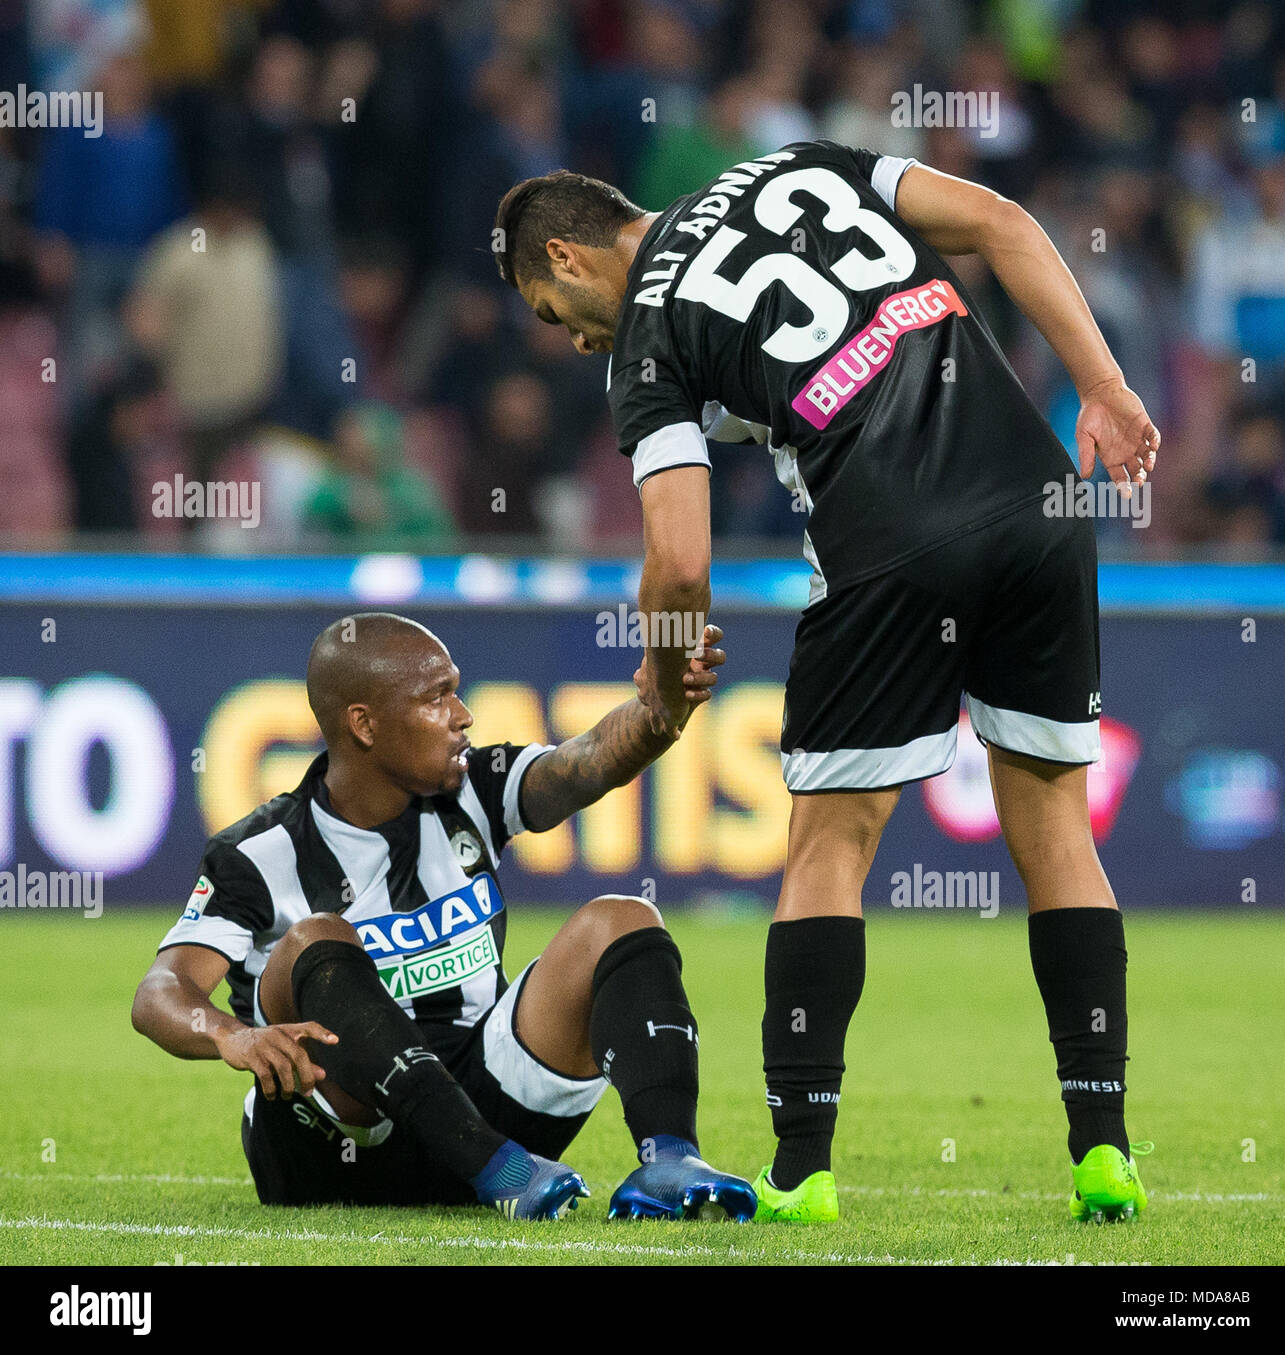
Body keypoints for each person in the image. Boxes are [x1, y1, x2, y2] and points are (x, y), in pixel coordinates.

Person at [494, 140, 1161, 1224]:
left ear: (567, 255)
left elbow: (676, 559)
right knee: (1053, 821)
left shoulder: (647, 340)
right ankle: (1102, 1150)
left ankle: (802, 1167)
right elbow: (1000, 219)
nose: (568, 338)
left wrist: (663, 680)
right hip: (1039, 504)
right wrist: (1102, 386)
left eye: (546, 307)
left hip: (890, 538)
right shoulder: (794, 162)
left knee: (830, 846)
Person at [132, 612, 756, 1223]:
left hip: (491, 1115)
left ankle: (671, 1161)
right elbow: (161, 991)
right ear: (364, 725)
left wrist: (659, 713)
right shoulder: (259, 851)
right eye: (437, 698)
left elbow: (589, 760)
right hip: (340, 1147)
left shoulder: (474, 789)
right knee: (315, 938)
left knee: (622, 919)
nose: (463, 715)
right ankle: (498, 1170)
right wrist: (232, 1036)